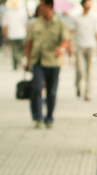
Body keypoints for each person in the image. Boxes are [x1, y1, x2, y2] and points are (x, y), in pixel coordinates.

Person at [24, 0, 69, 129]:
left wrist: (61, 49)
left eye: (42, 5)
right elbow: (29, 43)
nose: (40, 8)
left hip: (53, 62)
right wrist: (27, 61)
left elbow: (66, 40)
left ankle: (49, 117)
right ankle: (38, 118)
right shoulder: (35, 24)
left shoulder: (60, 24)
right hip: (37, 61)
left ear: (49, 6)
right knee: (37, 88)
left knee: (52, 92)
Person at [71, 0, 97, 101]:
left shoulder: (93, 18)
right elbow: (71, 32)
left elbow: (96, 34)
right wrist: (70, 47)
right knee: (80, 70)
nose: (89, 5)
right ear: (82, 4)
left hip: (90, 46)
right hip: (79, 46)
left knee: (89, 71)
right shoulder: (76, 19)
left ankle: (88, 92)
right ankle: (78, 86)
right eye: (87, 3)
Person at [2, 0, 28, 70]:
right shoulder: (23, 12)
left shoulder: (7, 13)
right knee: (20, 50)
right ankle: (18, 60)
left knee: (14, 51)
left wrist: (5, 34)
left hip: (13, 34)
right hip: (21, 34)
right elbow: (26, 25)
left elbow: (5, 26)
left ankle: (16, 64)